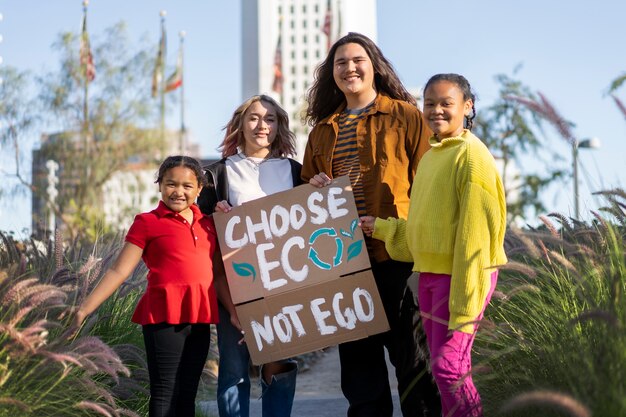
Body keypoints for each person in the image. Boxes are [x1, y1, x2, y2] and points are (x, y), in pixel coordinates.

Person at [302, 32, 441, 417]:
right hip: (346, 266)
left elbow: (428, 183)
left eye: (357, 60)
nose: (349, 68)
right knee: (360, 372)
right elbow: (307, 202)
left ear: (373, 65)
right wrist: (313, 185)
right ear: (332, 75)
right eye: (340, 63)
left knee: (413, 362)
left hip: (398, 255)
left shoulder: (406, 116)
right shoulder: (321, 131)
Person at [360, 73, 508, 417]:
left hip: (462, 278)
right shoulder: (431, 157)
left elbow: (478, 239)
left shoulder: (472, 157)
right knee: (444, 376)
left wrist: (466, 299)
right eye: (430, 103)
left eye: (446, 103)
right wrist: (382, 228)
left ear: (467, 107)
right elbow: (426, 228)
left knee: (449, 369)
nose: (436, 110)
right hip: (429, 276)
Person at [74, 155, 230, 417]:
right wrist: (83, 310)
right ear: (159, 185)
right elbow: (118, 270)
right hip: (163, 317)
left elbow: (218, 274)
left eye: (187, 186)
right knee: (165, 391)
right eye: (171, 184)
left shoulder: (209, 225)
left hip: (200, 318)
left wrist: (236, 315)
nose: (178, 192)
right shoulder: (147, 222)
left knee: (188, 392)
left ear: (199, 189)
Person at [198, 94, 301, 417]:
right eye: (254, 117)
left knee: (280, 366)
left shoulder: (296, 171)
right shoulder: (218, 174)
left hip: (286, 286)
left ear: (279, 126)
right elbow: (208, 245)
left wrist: (321, 186)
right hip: (235, 288)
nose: (262, 125)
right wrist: (231, 306)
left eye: (270, 119)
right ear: (240, 125)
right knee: (233, 368)